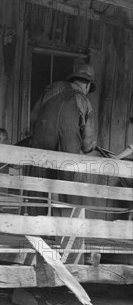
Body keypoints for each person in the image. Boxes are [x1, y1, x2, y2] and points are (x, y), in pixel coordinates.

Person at [27, 63, 98, 215]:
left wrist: (36, 134)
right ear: (87, 85)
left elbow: (33, 117)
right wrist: (89, 148)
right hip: (68, 148)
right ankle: (61, 231)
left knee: (38, 184)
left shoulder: (51, 88)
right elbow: (87, 140)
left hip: (41, 142)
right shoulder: (84, 101)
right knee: (65, 187)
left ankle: (35, 229)